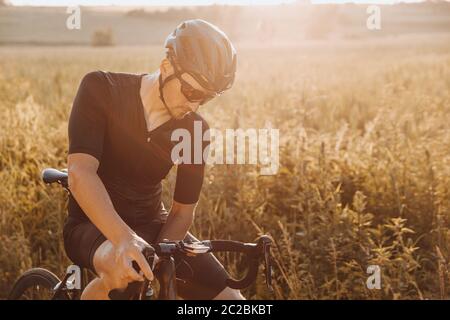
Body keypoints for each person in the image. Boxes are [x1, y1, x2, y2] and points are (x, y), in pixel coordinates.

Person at [63, 19, 240, 300]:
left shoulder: (194, 130)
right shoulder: (101, 89)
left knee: (232, 301)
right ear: (167, 66)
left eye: (204, 99)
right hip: (91, 222)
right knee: (124, 274)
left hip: (151, 224)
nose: (194, 106)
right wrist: (124, 240)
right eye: (191, 92)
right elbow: (80, 173)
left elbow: (182, 212)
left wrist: (161, 252)